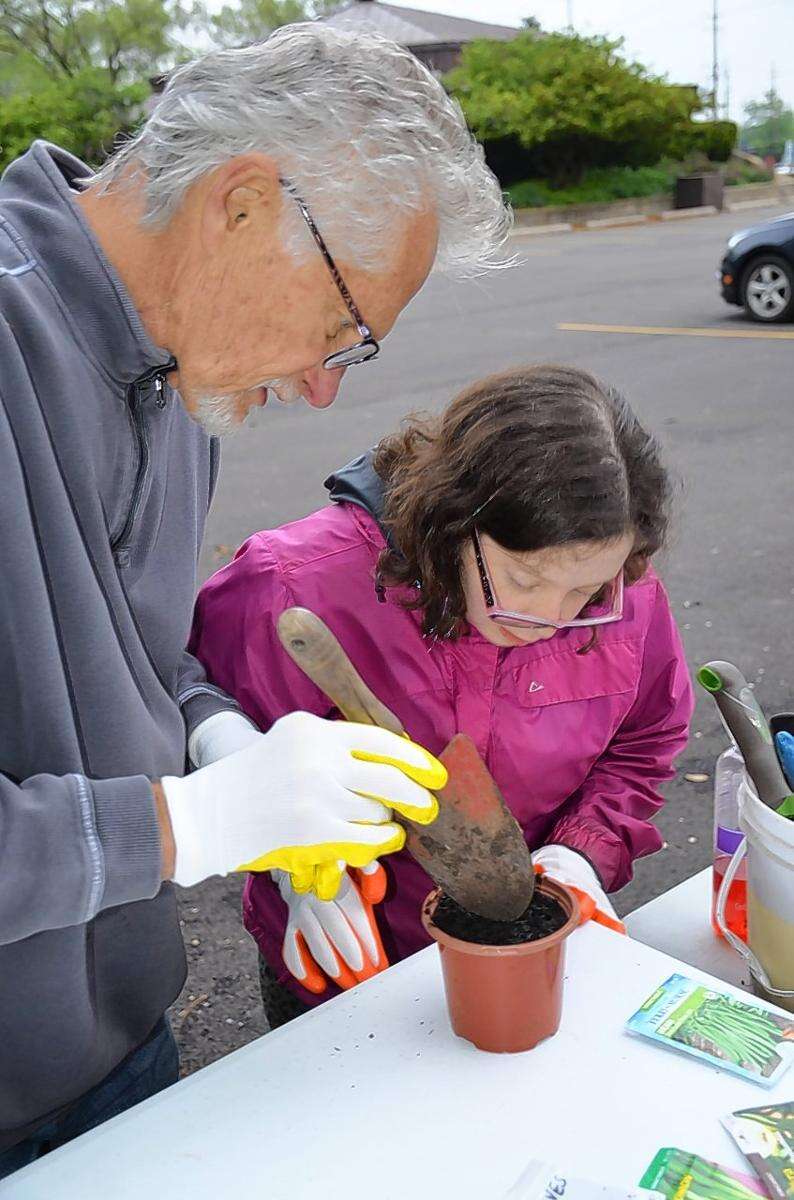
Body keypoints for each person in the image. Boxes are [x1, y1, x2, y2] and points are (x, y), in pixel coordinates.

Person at [0, 24, 509, 1173]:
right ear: (240, 205)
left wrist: (220, 739)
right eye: (341, 329)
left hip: (118, 1046)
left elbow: (122, 655)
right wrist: (190, 825)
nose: (323, 388)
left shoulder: (180, 371)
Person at [191, 365, 695, 1028]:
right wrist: (289, 859)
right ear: (455, 519)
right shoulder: (290, 584)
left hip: (530, 950)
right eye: (524, 579)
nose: (550, 618)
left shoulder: (624, 594)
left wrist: (579, 852)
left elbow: (645, 741)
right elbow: (194, 722)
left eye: (584, 591)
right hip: (349, 957)